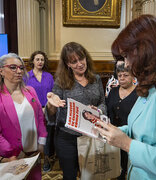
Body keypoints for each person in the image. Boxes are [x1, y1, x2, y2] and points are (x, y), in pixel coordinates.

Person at [96, 15, 156, 180]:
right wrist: (114, 130)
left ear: (145, 49)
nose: (125, 64)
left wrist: (126, 144)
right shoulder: (155, 81)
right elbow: (146, 132)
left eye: (126, 56)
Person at [45, 42, 106, 180]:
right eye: (74, 61)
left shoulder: (95, 79)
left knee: (92, 176)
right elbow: (52, 110)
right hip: (67, 138)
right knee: (70, 176)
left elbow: (103, 102)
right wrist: (51, 104)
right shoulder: (61, 80)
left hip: (92, 136)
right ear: (68, 64)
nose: (80, 64)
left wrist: (99, 111)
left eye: (81, 59)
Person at [0, 53, 47, 179]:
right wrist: (14, 154)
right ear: (1, 70)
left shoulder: (30, 91)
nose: (19, 71)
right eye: (13, 67)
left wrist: (42, 141)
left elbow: (40, 118)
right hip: (12, 158)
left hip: (34, 154)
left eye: (21, 67)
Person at [106, 63, 138, 179]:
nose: (122, 78)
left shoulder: (138, 92)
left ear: (133, 76)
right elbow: (108, 109)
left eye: (126, 75)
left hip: (131, 136)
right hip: (113, 134)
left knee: (127, 165)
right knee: (114, 164)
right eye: (120, 76)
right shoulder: (113, 91)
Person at [25, 50, 55, 172]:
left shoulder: (49, 76)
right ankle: (34, 159)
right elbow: (24, 94)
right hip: (32, 110)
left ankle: (46, 159)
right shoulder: (26, 76)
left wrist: (46, 107)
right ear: (33, 61)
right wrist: (38, 108)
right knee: (34, 136)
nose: (40, 62)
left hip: (48, 109)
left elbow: (54, 93)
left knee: (47, 135)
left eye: (42, 59)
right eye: (37, 59)